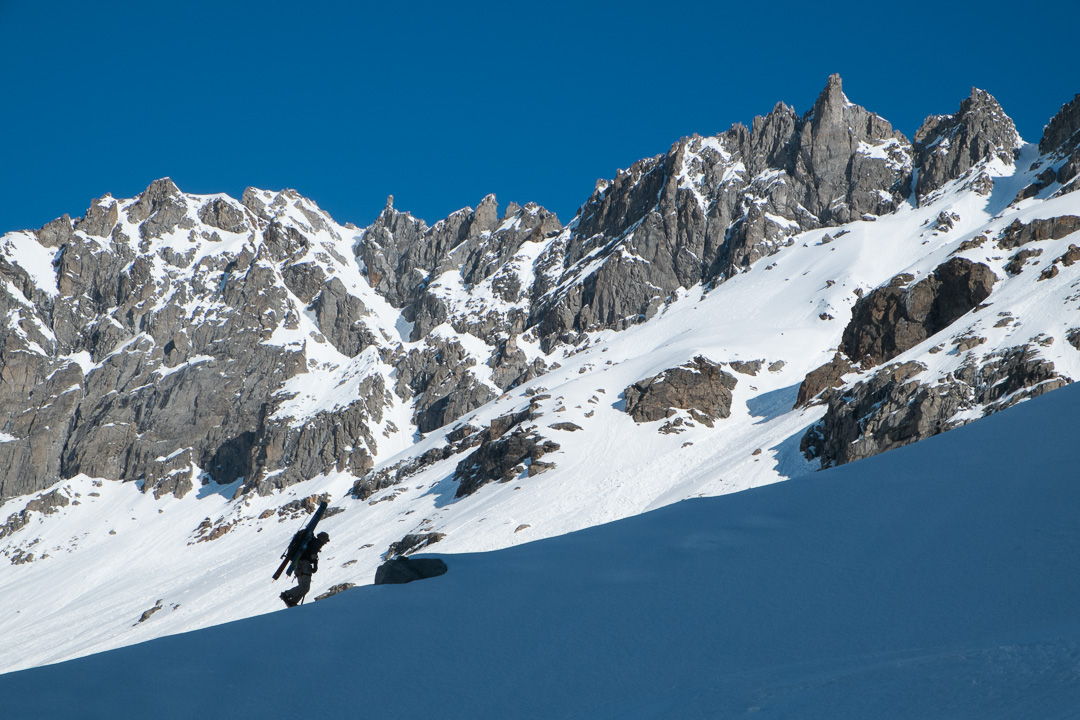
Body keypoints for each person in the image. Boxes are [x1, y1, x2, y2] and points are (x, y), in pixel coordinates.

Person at [280, 531, 329, 607]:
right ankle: (287, 594)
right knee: (304, 586)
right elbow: (313, 555)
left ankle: (293, 602)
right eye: (326, 540)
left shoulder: (310, 542)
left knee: (305, 587)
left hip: (299, 565)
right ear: (321, 537)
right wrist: (315, 566)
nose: (325, 542)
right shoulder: (317, 543)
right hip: (304, 564)